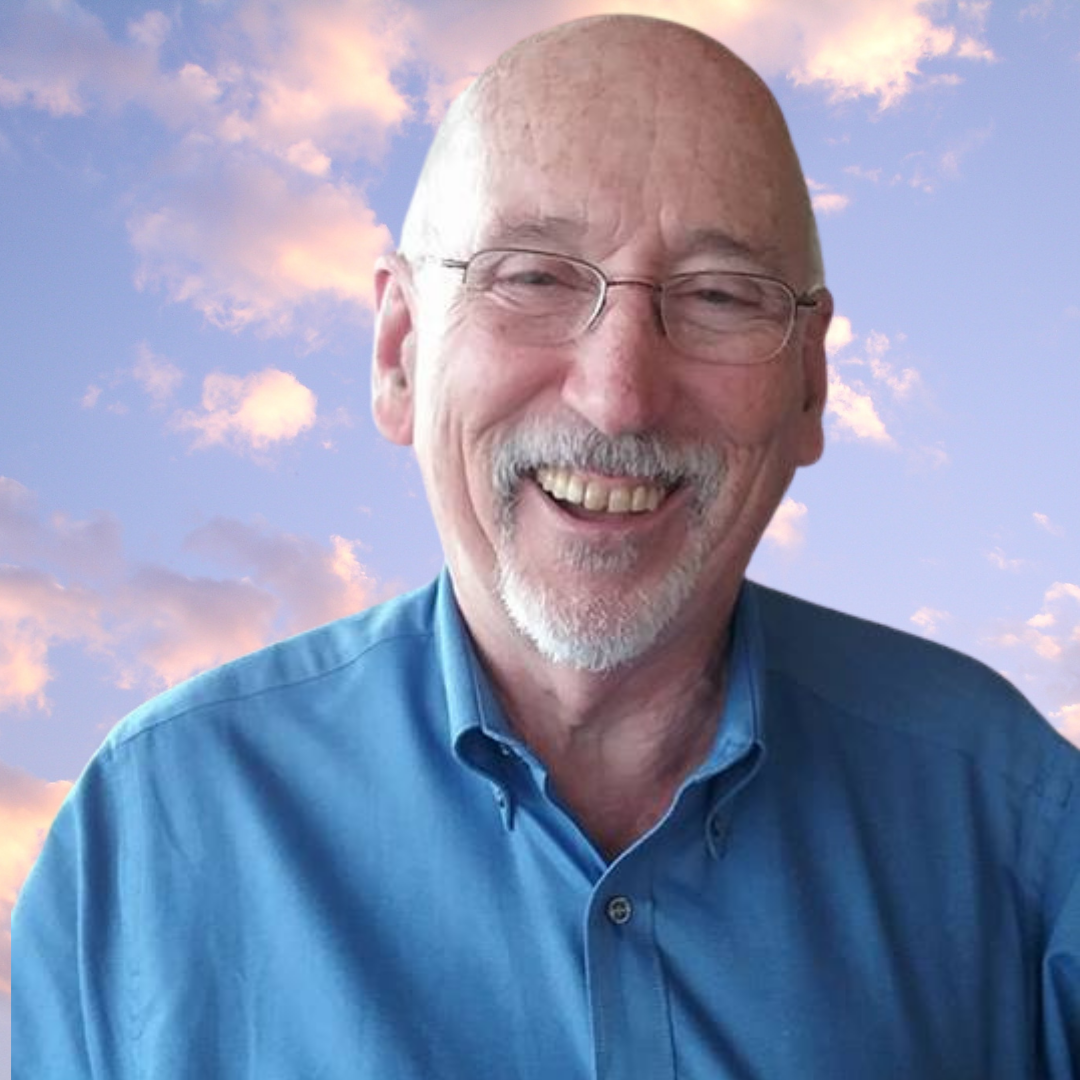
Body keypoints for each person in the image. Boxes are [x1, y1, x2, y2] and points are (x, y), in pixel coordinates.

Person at [13, 14, 1080, 1080]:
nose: (620, 397)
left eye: (717, 296)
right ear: (398, 354)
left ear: (810, 385)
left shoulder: (1020, 824)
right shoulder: (150, 836)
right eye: (533, 277)